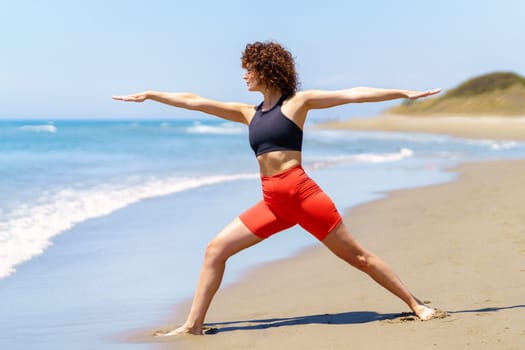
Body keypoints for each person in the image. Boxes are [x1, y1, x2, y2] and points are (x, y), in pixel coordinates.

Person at [112, 40, 441, 336]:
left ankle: (417, 305)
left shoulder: (298, 103)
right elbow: (194, 102)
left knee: (358, 256)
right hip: (272, 203)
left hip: (303, 195)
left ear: (266, 70)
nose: (244, 76)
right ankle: (193, 325)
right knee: (215, 250)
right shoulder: (247, 113)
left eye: (249, 70)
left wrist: (403, 93)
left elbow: (353, 94)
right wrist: (152, 95)